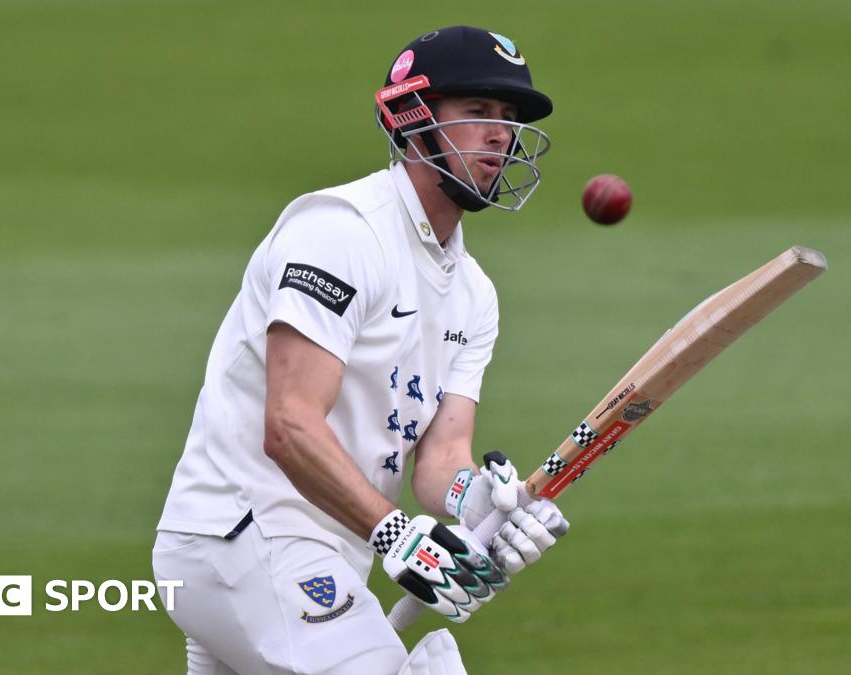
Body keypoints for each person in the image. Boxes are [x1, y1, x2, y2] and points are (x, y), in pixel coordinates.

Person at [152, 25, 569, 675]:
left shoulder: (475, 296)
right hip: (246, 533)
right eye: (479, 112)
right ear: (415, 121)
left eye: (510, 118)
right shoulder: (340, 234)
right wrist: (396, 532)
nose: (501, 134)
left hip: (319, 554)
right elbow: (289, 424)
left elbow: (439, 458)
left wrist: (479, 501)